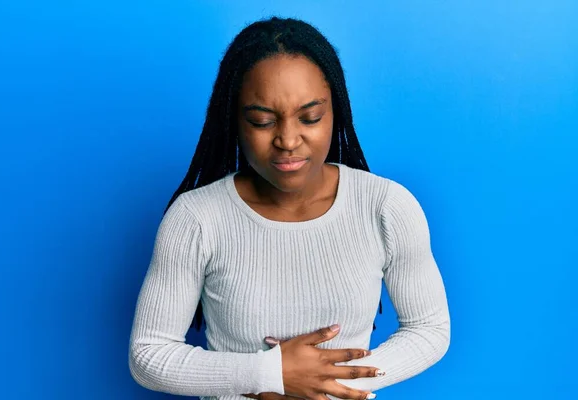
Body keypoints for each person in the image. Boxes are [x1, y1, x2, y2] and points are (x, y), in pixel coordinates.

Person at [128, 16, 450, 400]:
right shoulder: (196, 218)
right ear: (236, 121)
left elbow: (429, 329)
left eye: (310, 117)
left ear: (336, 112)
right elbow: (148, 355)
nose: (288, 139)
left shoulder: (385, 206)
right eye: (262, 121)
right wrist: (266, 373)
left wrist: (329, 382)